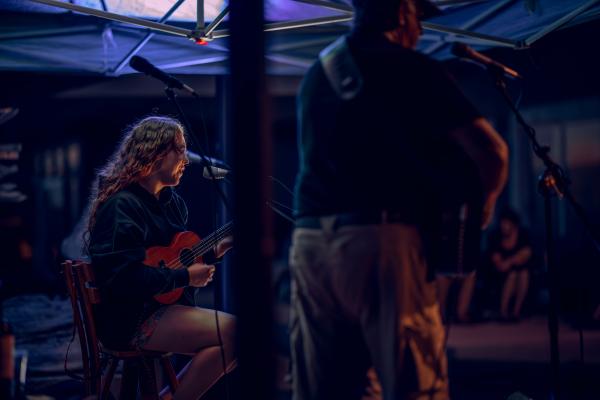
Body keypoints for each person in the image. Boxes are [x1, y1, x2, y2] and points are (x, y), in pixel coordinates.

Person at [289, 0, 509, 398]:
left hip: (310, 247)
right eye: (419, 18)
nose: (421, 31)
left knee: (329, 390)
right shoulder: (412, 67)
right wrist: (482, 209)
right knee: (415, 385)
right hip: (382, 242)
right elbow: (492, 153)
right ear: (402, 12)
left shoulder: (318, 74)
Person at [86, 116, 236, 399]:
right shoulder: (122, 206)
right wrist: (185, 277)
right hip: (131, 317)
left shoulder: (170, 203)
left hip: (159, 308)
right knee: (235, 334)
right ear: (154, 153)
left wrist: (214, 252)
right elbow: (124, 277)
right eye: (179, 150)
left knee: (237, 338)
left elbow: (171, 256)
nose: (186, 159)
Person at [486, 208, 533, 320]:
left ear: (514, 224)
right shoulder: (495, 236)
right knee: (512, 275)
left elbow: (527, 253)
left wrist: (510, 261)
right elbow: (498, 262)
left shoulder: (523, 235)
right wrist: (513, 260)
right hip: (499, 272)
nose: (504, 226)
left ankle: (516, 311)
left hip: (519, 269)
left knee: (523, 273)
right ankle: (503, 311)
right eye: (502, 223)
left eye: (507, 223)